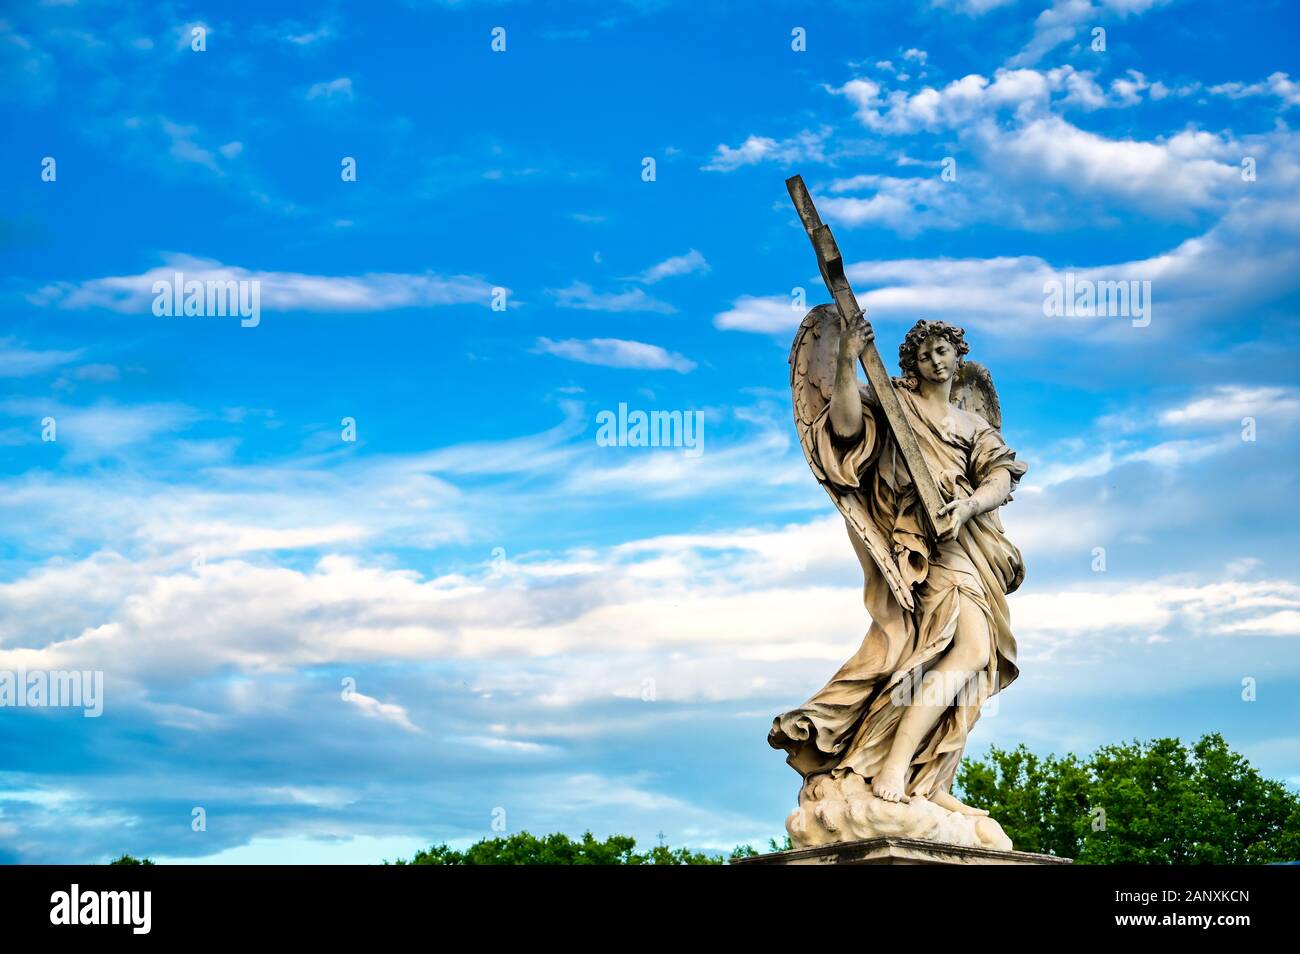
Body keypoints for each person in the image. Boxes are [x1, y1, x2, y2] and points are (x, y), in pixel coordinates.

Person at [769, 314, 1028, 815]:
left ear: (958, 356)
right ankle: (892, 767)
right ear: (913, 361)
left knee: (956, 663)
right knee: (969, 652)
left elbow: (1000, 478)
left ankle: (928, 779)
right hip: (919, 544)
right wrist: (847, 361)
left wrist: (970, 505)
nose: (936, 360)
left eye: (944, 350)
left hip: (966, 541)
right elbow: (843, 429)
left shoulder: (974, 425)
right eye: (926, 353)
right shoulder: (893, 402)